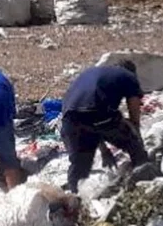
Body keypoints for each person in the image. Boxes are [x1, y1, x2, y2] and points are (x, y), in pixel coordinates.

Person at [61, 59, 152, 193]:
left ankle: (74, 200)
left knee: (79, 164)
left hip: (70, 119)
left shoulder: (89, 73)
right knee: (133, 146)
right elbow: (134, 109)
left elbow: (88, 122)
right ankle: (144, 181)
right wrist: (136, 135)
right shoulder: (128, 76)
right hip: (99, 114)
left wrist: (104, 151)